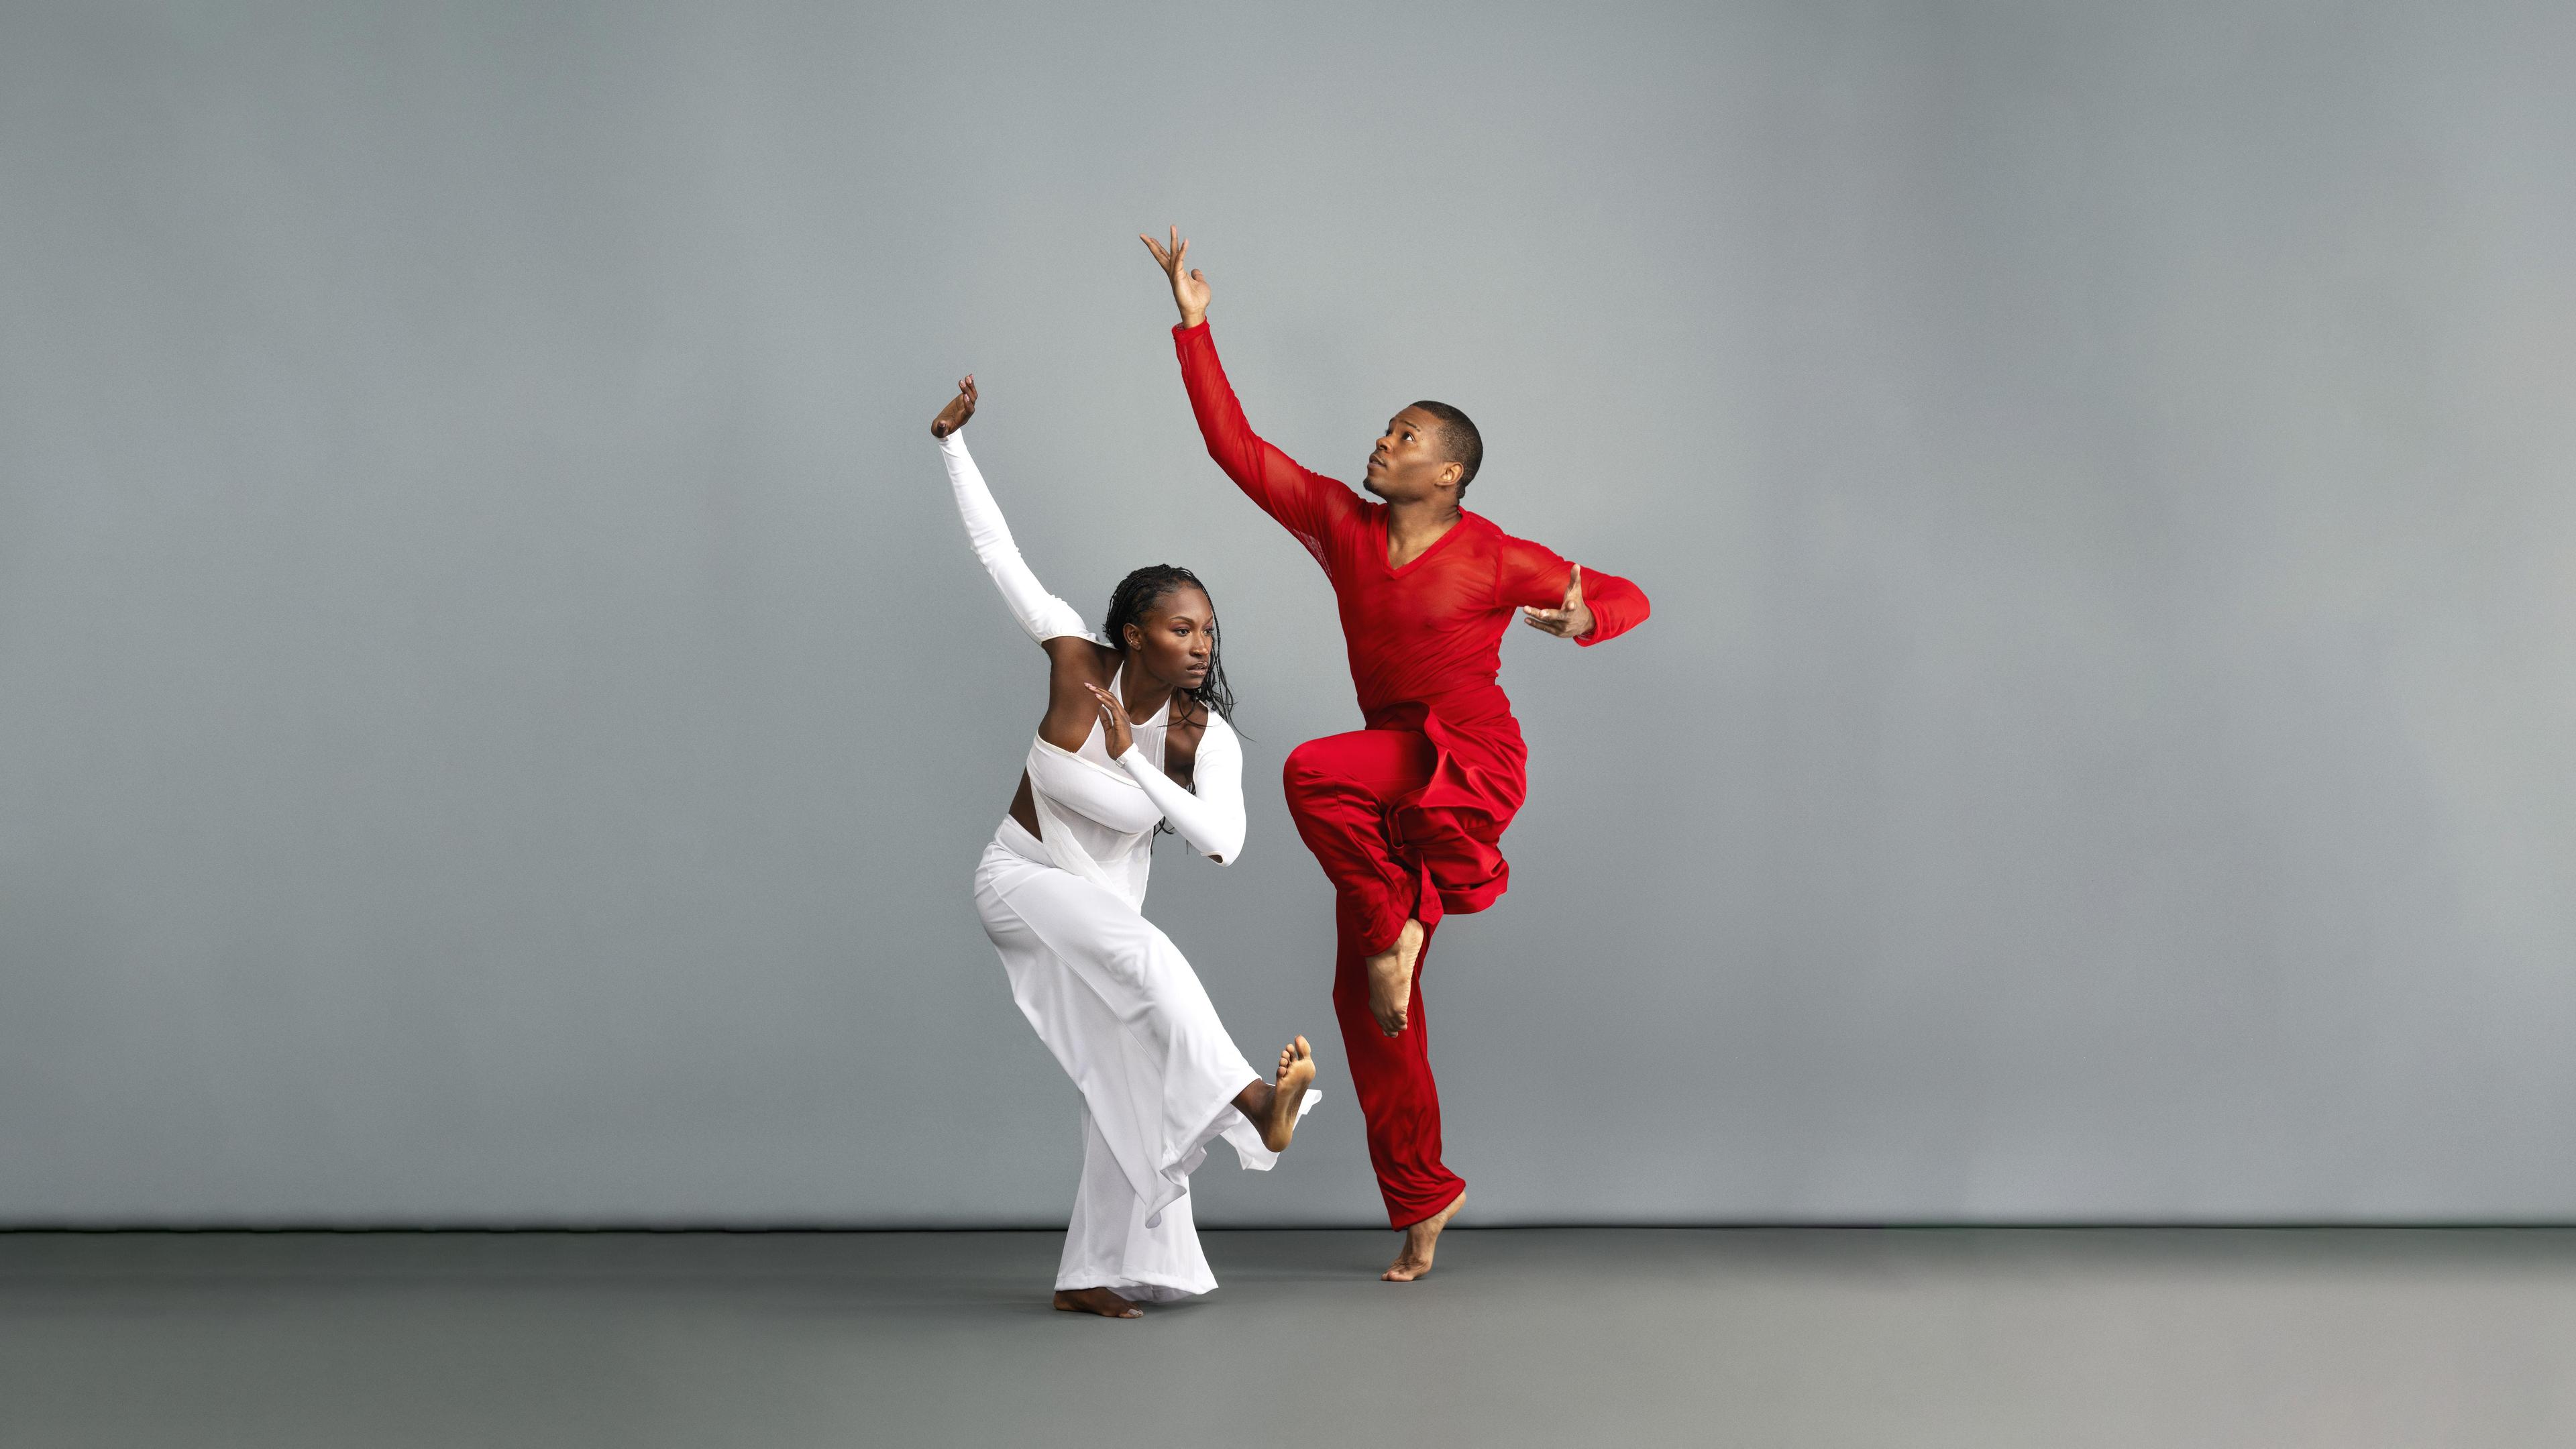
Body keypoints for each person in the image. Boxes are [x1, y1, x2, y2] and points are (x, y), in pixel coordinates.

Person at [1140, 230, 1653, 1281]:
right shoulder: (1340, 523)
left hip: (1464, 765)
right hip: (1392, 766)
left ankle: (1395, 931)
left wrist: (1580, 618)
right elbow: (1238, 450)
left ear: (1449, 469)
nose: (1384, 444)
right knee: (1368, 1011)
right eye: (1385, 431)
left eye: (1405, 436)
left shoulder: (1497, 554)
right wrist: (1196, 326)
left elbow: (1628, 596)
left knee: (1310, 771)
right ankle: (1424, 1193)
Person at [936, 374, 1318, 1318]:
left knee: (1128, 1080)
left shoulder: (1200, 736)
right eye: (1181, 628)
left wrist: (1134, 764)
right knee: (1149, 959)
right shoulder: (1075, 658)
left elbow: (1222, 843)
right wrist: (951, 443)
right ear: (1133, 632)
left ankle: (1090, 1274)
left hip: (1103, 908)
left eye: (1209, 631)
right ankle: (1251, 1107)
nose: (1200, 645)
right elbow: (999, 552)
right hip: (1021, 882)